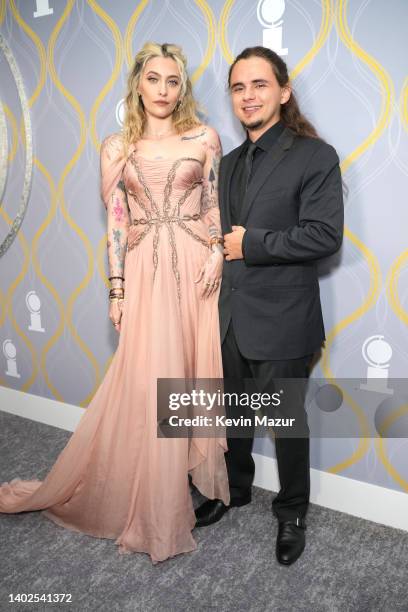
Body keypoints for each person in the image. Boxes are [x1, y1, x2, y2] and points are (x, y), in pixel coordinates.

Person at [0, 42, 230, 564]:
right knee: (153, 377)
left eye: (173, 81)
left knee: (192, 375)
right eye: (154, 79)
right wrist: (118, 288)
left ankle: (184, 477)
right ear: (138, 83)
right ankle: (155, 495)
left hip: (197, 268)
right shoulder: (116, 147)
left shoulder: (204, 138)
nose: (164, 91)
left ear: (183, 87)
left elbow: (214, 203)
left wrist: (217, 252)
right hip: (147, 270)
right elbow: (118, 224)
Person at [194, 46, 344, 566]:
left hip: (284, 318)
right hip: (229, 315)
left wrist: (251, 244)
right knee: (233, 412)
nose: (248, 96)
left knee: (286, 422)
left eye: (259, 85)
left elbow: (325, 236)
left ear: (283, 91)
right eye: (238, 87)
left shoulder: (314, 155)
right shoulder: (229, 163)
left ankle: (291, 512)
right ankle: (234, 489)